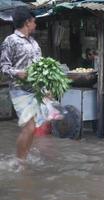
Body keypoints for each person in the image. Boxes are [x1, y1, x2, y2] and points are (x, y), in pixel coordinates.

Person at [0, 6, 46, 160]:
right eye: (34, 22)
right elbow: (4, 67)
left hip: (34, 90)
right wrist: (18, 73)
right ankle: (20, 162)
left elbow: (41, 69)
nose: (35, 25)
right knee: (29, 127)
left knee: (33, 129)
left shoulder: (34, 43)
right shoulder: (10, 41)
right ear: (27, 22)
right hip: (19, 90)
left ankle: (23, 158)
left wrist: (45, 89)